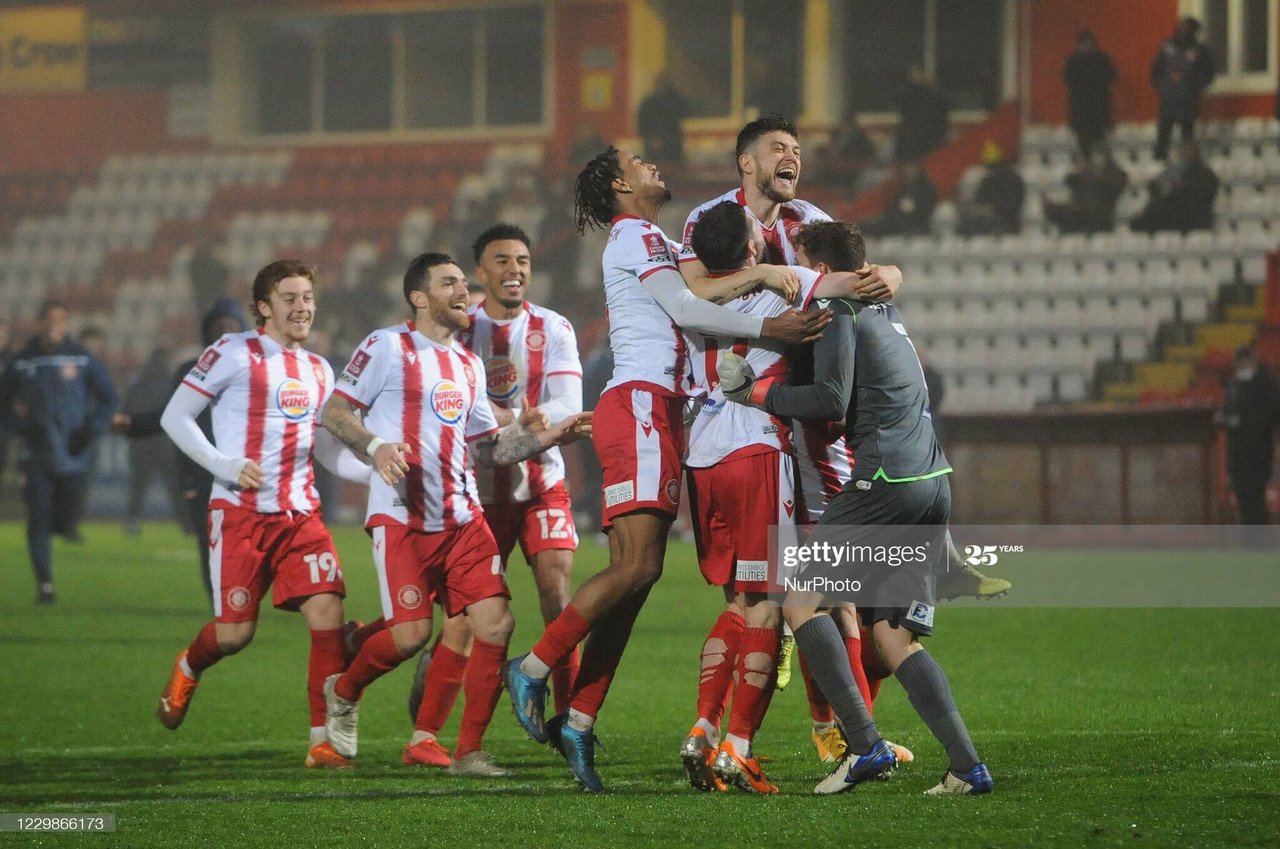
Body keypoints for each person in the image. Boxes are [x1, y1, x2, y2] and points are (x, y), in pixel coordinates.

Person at [502, 145, 832, 792]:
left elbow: (690, 298)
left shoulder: (647, 236)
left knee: (637, 580)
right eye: (640, 161)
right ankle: (535, 667)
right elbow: (684, 310)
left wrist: (758, 279)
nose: (655, 164)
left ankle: (581, 717)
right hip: (646, 404)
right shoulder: (634, 235)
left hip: (660, 409)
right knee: (638, 567)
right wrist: (774, 323)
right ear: (621, 184)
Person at [717, 220, 993, 797]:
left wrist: (754, 393)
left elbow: (829, 400)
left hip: (886, 482)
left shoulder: (841, 309)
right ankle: (968, 768)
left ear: (820, 271)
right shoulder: (889, 314)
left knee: (799, 601)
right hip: (934, 481)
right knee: (893, 637)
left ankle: (864, 747)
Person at [319, 252, 592, 777]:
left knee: (496, 623)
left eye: (464, 284)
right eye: (449, 284)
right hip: (402, 517)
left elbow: (489, 448)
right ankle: (346, 688)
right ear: (418, 297)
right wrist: (376, 446)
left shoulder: (467, 365)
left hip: (464, 518)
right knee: (410, 636)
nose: (464, 291)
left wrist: (550, 434)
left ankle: (467, 752)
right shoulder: (386, 346)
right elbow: (333, 411)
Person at [678, 201, 904, 794]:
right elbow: (855, 282)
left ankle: (704, 727)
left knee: (742, 600)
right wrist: (892, 273)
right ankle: (741, 746)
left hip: (702, 452)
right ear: (754, 250)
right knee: (779, 606)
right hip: (759, 449)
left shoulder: (687, 299)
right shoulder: (790, 288)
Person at [153, 260, 369, 770]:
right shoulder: (232, 351)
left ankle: (323, 742)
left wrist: (376, 473)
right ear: (264, 308)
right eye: (289, 298)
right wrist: (223, 464)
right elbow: (174, 416)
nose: (302, 307)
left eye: (308, 298)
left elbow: (324, 449)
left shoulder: (319, 369)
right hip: (241, 515)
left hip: (301, 516)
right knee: (234, 635)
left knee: (328, 616)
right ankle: (188, 665)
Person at [402, 225, 586, 769]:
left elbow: (569, 401)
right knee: (467, 618)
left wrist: (538, 422)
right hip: (478, 490)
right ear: (479, 273)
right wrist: (514, 418)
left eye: (523, 260)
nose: (515, 268)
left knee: (558, 596)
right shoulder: (458, 329)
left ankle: (570, 721)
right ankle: (427, 733)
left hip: (541, 481)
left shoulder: (553, 326)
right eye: (501, 260)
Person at [113, 299, 250, 606]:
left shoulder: (260, 369)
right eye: (218, 328)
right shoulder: (192, 370)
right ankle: (221, 604)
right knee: (209, 541)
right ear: (206, 333)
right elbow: (173, 415)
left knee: (249, 542)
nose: (224, 334)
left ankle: (243, 596)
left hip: (248, 469)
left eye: (231, 327)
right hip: (201, 471)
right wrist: (135, 424)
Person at [0, 300, 118, 603]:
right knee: (38, 517)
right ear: (39, 323)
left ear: (66, 325)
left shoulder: (81, 359)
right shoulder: (23, 362)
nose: (54, 325)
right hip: (36, 455)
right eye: (48, 319)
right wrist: (22, 427)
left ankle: (60, 526)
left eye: (60, 319)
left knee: (65, 521)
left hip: (74, 455)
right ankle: (45, 583)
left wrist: (91, 430)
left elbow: (109, 398)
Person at [1221, 346, 1280, 525]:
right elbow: (1227, 412)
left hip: (1258, 454)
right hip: (1238, 455)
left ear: (1253, 363)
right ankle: (1249, 545)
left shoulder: (1267, 386)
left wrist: (1244, 421)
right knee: (1244, 501)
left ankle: (1259, 545)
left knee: (1256, 502)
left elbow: (1271, 415)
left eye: (1244, 366)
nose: (1242, 370)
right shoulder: (1234, 386)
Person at [121, 346, 176, 535]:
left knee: (138, 487)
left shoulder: (138, 385)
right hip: (164, 445)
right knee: (175, 487)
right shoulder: (171, 385)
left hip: (141, 445)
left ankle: (132, 520)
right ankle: (187, 524)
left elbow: (127, 412)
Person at [1151, 17, 1216, 160]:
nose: (1184, 31)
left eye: (1188, 28)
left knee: (1187, 134)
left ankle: (1187, 162)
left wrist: (1195, 86)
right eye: (1182, 27)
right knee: (1163, 132)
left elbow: (1208, 73)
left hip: (1188, 100)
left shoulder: (1200, 51)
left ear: (1195, 31)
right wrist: (1163, 87)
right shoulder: (1167, 47)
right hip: (1169, 99)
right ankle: (1158, 161)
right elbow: (1156, 71)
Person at [1130, 140, 1219, 233]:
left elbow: (1205, 195)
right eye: (1181, 152)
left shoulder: (1205, 174)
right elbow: (1154, 186)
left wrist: (1182, 187)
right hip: (1170, 212)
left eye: (1186, 152)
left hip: (1192, 215)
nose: (1183, 155)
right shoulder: (1172, 171)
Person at [1043, 144, 1128, 234]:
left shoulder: (1109, 180)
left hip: (1098, 226)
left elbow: (1119, 181)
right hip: (1079, 226)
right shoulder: (1075, 180)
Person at [956, 141, 1025, 236]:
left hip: (1007, 222)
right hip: (986, 221)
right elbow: (979, 203)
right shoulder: (987, 181)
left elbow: (1011, 206)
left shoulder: (1013, 181)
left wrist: (991, 209)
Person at [1064, 30, 1117, 155]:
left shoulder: (1102, 60)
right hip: (1081, 112)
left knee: (1100, 147)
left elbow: (1111, 76)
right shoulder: (1073, 61)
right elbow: (1068, 80)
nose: (1087, 46)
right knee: (1084, 148)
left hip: (1099, 110)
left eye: (1089, 43)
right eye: (1084, 43)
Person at [862, 161, 938, 236]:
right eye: (907, 169)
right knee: (869, 225)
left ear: (919, 171)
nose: (909, 172)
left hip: (915, 227)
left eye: (912, 169)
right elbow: (894, 208)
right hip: (898, 223)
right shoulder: (904, 189)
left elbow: (924, 211)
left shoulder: (926, 189)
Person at [893, 66, 950, 164]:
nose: (913, 77)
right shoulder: (910, 93)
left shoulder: (930, 94)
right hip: (920, 140)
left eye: (916, 73)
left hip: (925, 140)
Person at [636, 71, 690, 166]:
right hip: (655, 147)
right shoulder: (649, 103)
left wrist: (681, 92)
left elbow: (688, 113)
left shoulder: (675, 101)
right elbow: (642, 124)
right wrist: (650, 139)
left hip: (673, 145)